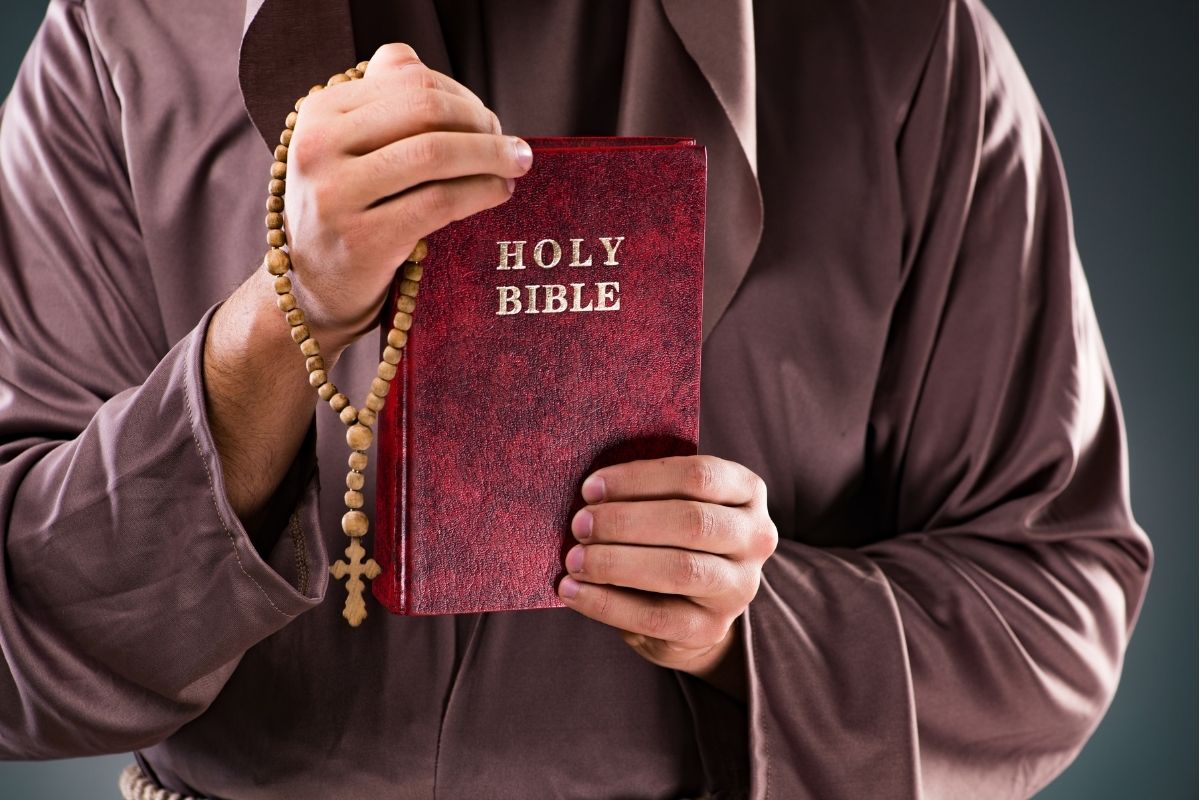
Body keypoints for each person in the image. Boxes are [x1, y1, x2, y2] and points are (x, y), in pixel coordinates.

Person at [0, 0, 1152, 798]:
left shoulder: (909, 45)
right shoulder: (126, 30)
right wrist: (277, 319)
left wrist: (760, 630)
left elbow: (1059, 589)